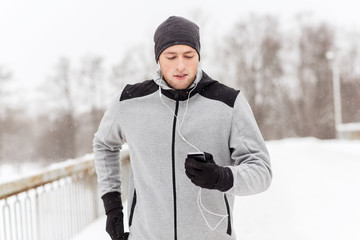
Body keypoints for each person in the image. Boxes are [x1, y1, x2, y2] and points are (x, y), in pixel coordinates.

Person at [93, 16, 272, 240]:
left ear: (198, 56)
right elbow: (103, 145)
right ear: (158, 58)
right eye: (171, 56)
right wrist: (112, 207)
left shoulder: (228, 103)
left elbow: (262, 171)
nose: (180, 65)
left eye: (189, 56)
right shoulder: (129, 101)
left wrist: (222, 177)